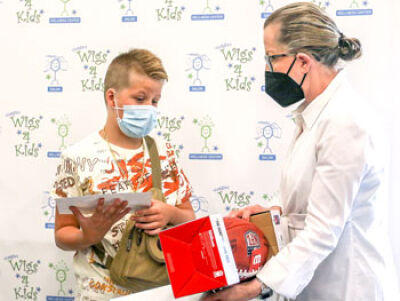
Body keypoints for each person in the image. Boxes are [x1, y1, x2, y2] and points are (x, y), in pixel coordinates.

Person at [202, 2, 399, 301]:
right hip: (317, 284)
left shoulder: (345, 122)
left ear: (304, 62)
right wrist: (274, 212)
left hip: (348, 287)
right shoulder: (315, 114)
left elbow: (323, 230)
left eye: (272, 58)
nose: (267, 70)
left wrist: (254, 288)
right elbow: (315, 200)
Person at [52, 49, 195, 300]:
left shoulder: (165, 153)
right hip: (101, 292)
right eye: (140, 98)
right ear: (112, 97)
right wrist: (88, 235)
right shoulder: (76, 158)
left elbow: (189, 218)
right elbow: (62, 235)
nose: (149, 108)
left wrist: (170, 213)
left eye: (155, 101)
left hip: (162, 290)